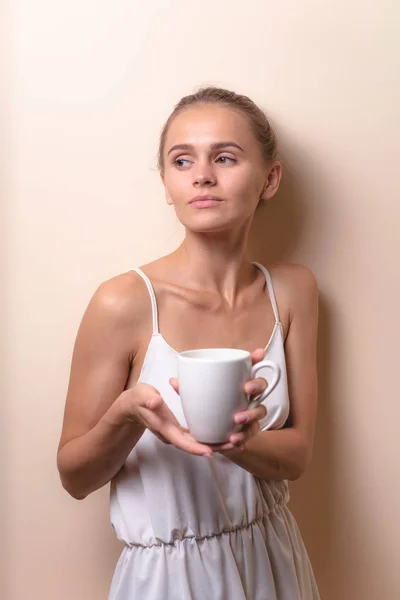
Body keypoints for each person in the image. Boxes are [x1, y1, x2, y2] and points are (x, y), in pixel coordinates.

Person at [57, 86, 320, 600]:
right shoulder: (122, 302)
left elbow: (297, 456)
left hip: (273, 559)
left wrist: (239, 441)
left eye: (225, 157)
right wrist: (129, 413)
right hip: (168, 580)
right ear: (166, 183)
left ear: (270, 179)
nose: (202, 175)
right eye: (182, 161)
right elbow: (74, 477)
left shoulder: (293, 291)